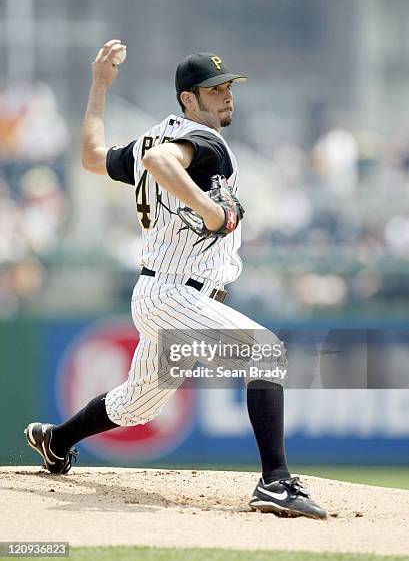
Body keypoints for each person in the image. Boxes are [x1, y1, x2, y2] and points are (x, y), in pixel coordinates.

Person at [25, 39, 327, 520]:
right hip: (174, 292)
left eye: (228, 86)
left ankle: (55, 441)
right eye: (214, 89)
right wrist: (209, 210)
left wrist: (99, 87)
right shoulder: (202, 141)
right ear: (189, 98)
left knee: (136, 405)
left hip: (162, 292)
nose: (227, 96)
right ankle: (275, 483)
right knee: (265, 350)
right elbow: (161, 163)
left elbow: (90, 156)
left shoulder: (153, 135)